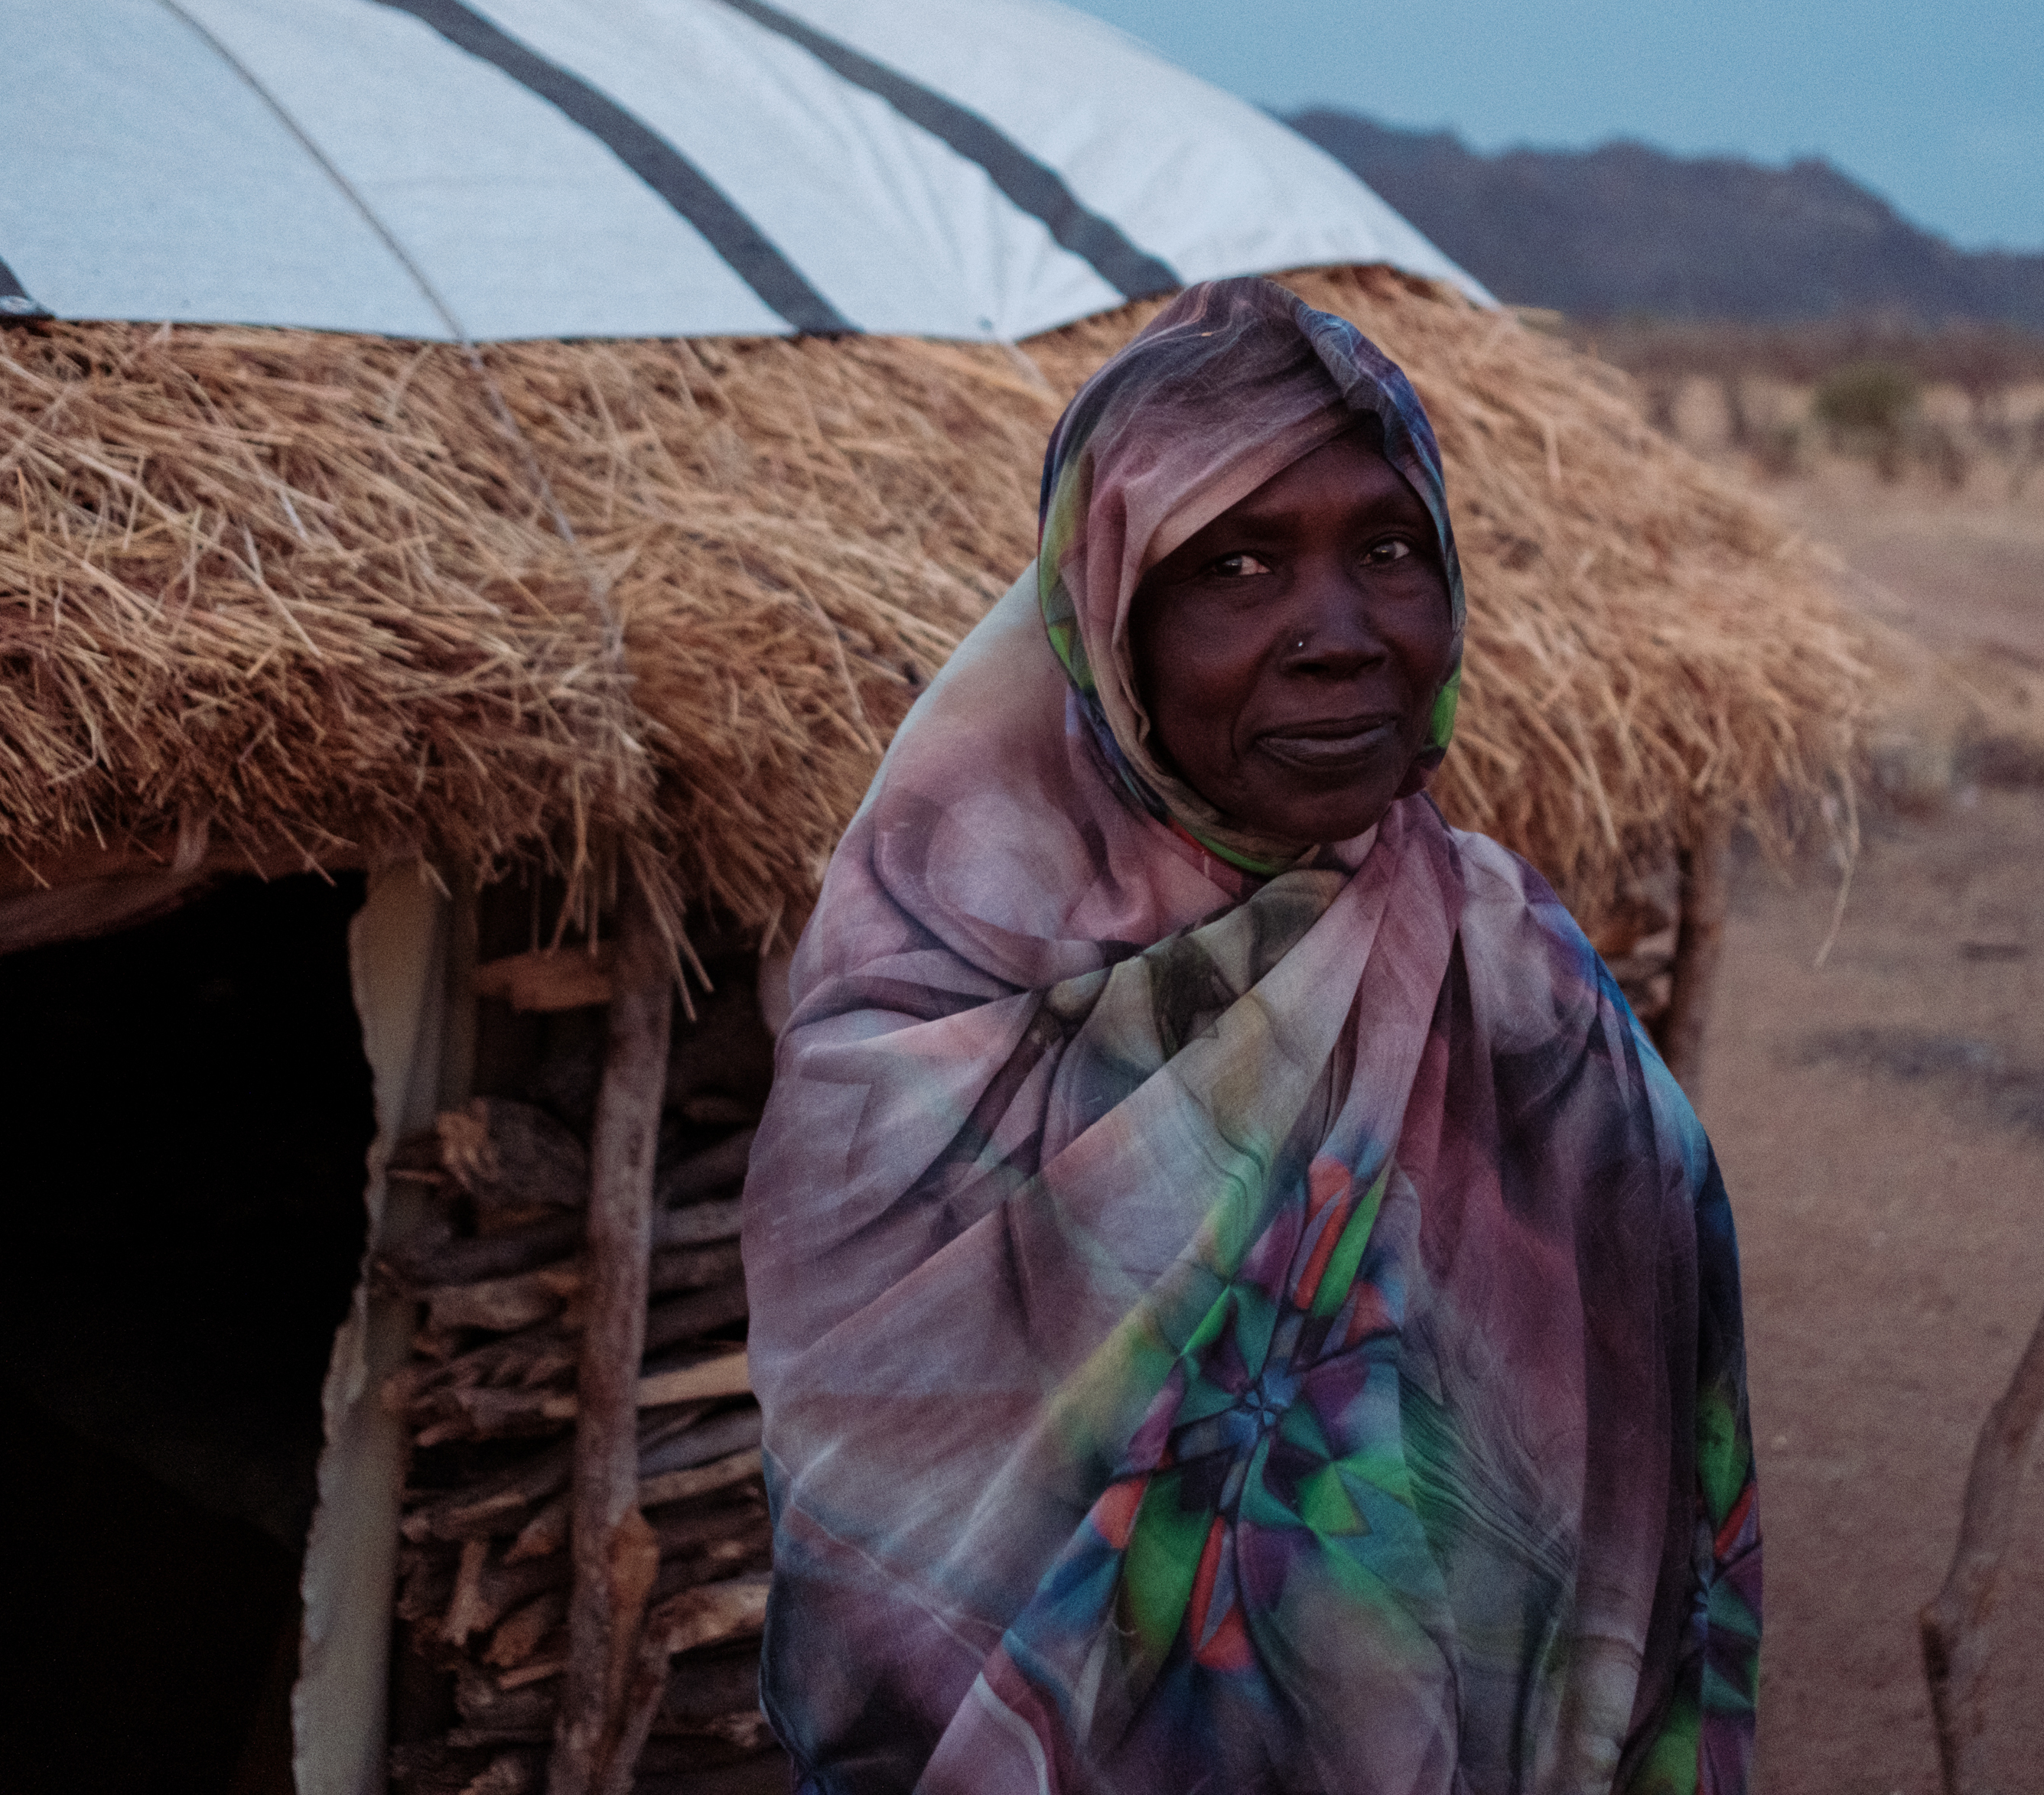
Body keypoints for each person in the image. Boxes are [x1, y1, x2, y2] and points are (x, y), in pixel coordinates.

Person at [740, 278, 1760, 1793]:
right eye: (1236, 563)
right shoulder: (918, 1035)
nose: (1339, 635)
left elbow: (1655, 1495)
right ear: (1108, 617)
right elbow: (881, 1603)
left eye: (1390, 549)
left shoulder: (1516, 979)